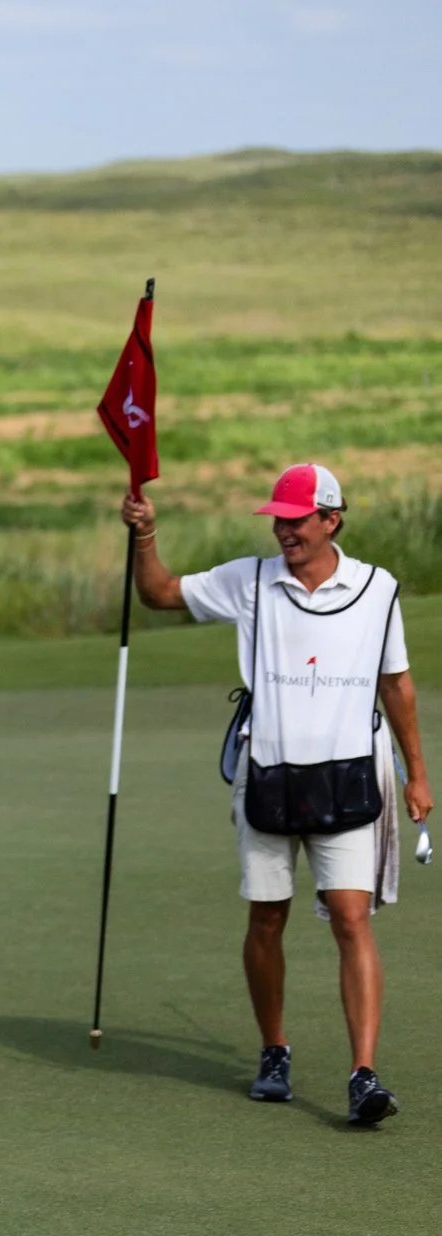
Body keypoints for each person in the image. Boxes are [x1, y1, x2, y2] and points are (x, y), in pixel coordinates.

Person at [126, 463, 430, 1125]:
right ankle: (274, 1050)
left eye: (297, 521)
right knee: (266, 917)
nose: (284, 531)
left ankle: (364, 1075)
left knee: (351, 918)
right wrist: (145, 535)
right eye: (279, 521)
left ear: (331, 520)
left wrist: (417, 773)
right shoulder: (249, 581)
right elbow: (158, 593)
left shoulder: (377, 589)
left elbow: (396, 684)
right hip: (267, 772)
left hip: (349, 775)